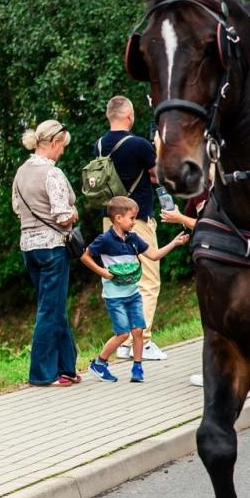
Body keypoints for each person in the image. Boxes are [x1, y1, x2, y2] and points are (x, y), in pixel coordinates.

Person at [82, 196, 190, 383]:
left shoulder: (133, 239)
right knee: (123, 333)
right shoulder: (105, 239)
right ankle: (99, 363)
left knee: (138, 330)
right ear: (118, 218)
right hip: (114, 296)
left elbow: (154, 255)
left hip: (133, 293)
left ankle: (137, 368)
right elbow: (85, 256)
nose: (134, 222)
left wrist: (174, 243)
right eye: (132, 218)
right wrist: (102, 271)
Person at [96, 96, 168, 360]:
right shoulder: (139, 144)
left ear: (109, 116)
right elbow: (158, 175)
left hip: (111, 221)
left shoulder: (100, 144)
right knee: (148, 281)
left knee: (123, 280)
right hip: (136, 220)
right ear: (129, 116)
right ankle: (143, 342)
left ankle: (125, 340)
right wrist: (158, 149)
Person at [11, 120, 80, 387]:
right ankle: (42, 373)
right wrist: (74, 213)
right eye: (62, 146)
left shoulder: (21, 172)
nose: (62, 152)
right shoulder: (52, 174)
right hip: (52, 247)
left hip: (29, 247)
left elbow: (18, 208)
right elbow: (63, 216)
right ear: (53, 143)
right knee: (49, 311)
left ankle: (67, 367)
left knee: (53, 307)